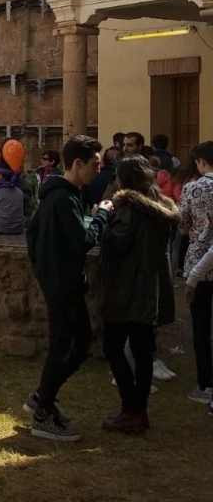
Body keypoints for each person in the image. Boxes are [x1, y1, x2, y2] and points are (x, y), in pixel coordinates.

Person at [25, 135, 112, 441]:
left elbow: (32, 238)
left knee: (72, 344)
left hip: (59, 281)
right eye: (95, 164)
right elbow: (84, 240)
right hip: (61, 284)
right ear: (78, 163)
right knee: (69, 347)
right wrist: (102, 214)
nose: (98, 171)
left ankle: (43, 398)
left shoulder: (60, 195)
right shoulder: (62, 198)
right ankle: (42, 407)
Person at [99, 156, 179, 434]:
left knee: (113, 347)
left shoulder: (129, 209)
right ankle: (139, 411)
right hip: (151, 289)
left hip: (128, 289)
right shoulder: (161, 208)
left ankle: (131, 408)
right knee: (143, 352)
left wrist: (103, 221)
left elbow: (116, 243)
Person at [179, 141, 213, 406]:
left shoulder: (193, 188)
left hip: (198, 262)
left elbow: (183, 223)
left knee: (201, 327)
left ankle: (206, 383)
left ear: (201, 162)